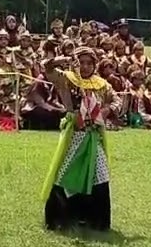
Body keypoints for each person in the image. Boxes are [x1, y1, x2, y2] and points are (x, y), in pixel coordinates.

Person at [40, 47, 123, 231]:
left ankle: (96, 220)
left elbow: (117, 100)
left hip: (94, 135)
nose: (85, 67)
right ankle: (59, 218)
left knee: (99, 173)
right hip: (74, 133)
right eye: (81, 63)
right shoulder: (66, 79)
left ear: (94, 65)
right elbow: (46, 67)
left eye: (89, 63)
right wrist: (64, 59)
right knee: (66, 171)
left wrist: (106, 110)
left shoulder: (102, 84)